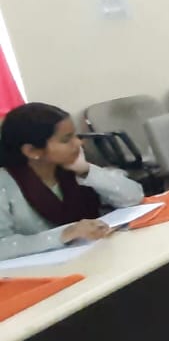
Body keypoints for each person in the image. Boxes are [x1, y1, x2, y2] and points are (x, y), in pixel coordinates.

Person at [0, 103, 143, 261]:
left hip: (97, 256)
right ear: (32, 151)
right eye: (66, 139)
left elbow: (133, 198)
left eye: (75, 135)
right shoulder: (5, 183)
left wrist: (86, 171)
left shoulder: (71, 168)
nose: (79, 143)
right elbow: (3, 246)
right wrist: (65, 234)